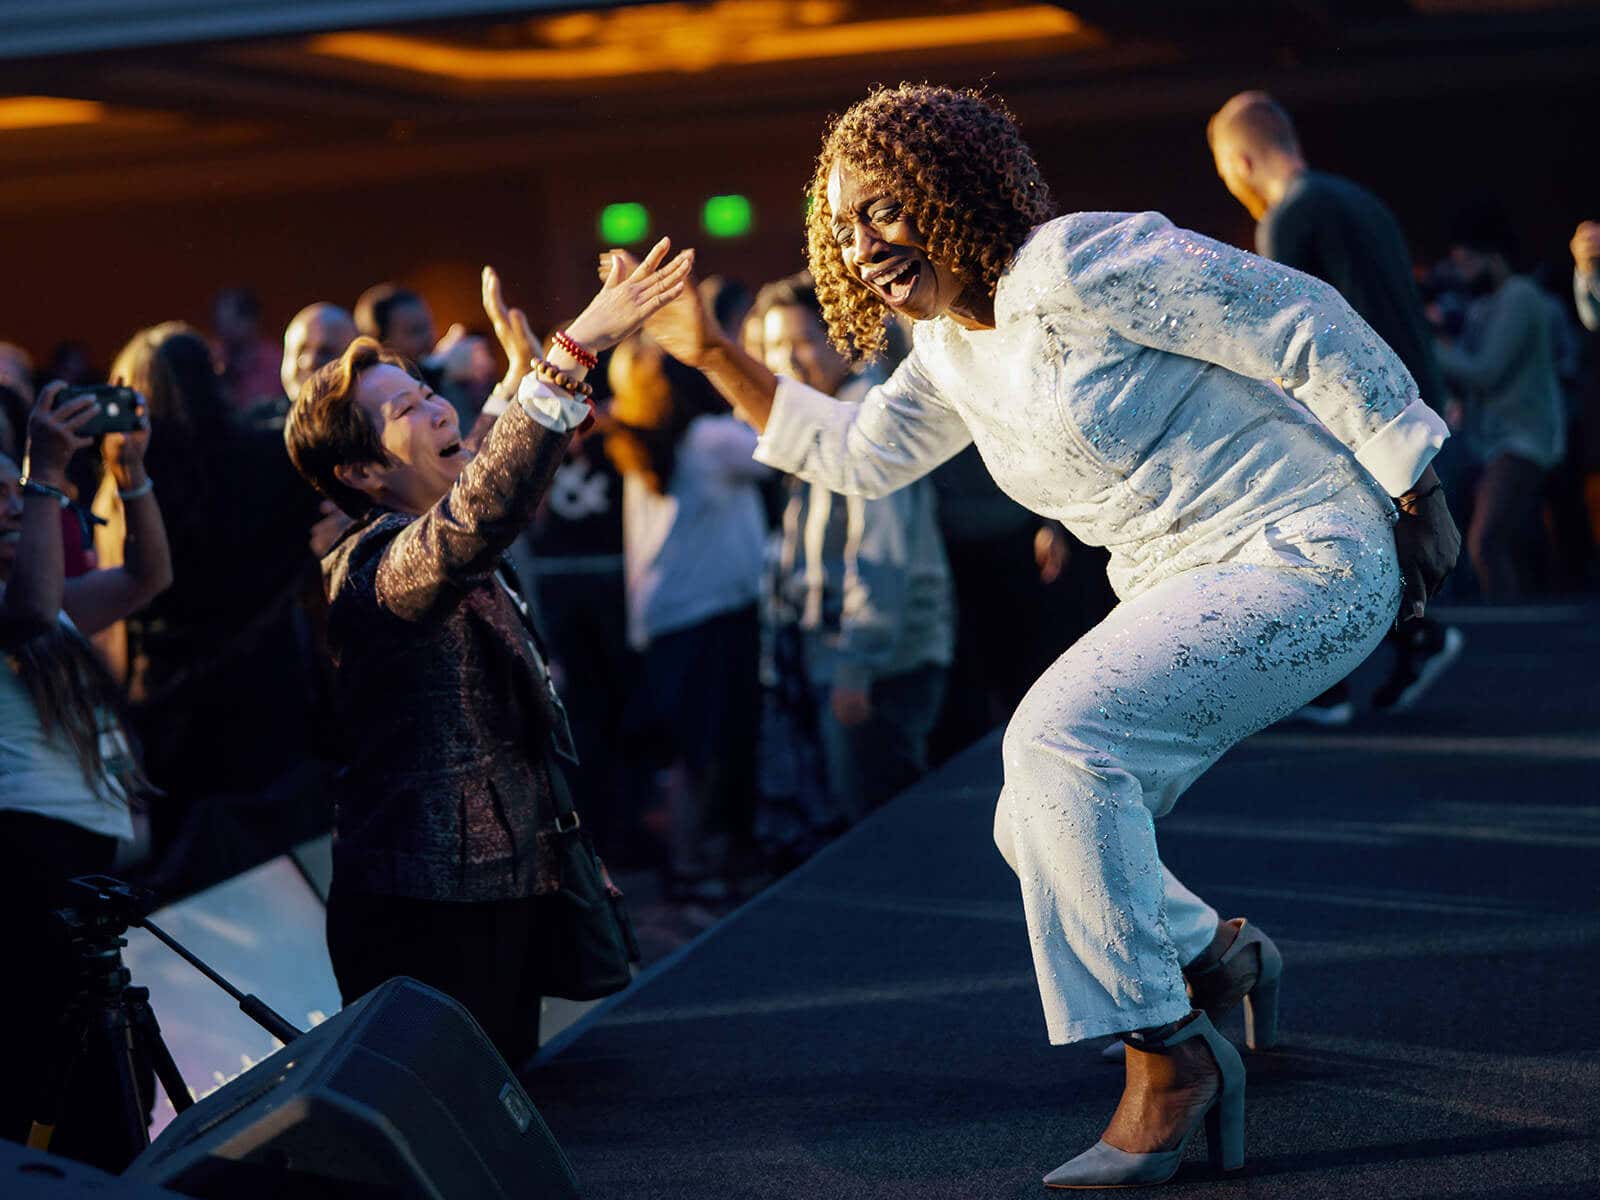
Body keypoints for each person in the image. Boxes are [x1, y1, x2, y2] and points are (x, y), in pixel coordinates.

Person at [616, 84, 1457, 1187]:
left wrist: (1414, 482)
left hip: (1303, 546)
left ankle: (1166, 1059)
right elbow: (860, 454)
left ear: (949, 188)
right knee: (1033, 817)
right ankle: (1213, 951)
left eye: (881, 210)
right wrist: (711, 351)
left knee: (1057, 742)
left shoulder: (1074, 261)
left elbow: (1292, 316)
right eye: (842, 227)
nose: (862, 245)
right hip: (1172, 583)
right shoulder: (946, 349)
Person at [284, 244, 691, 1065]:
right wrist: (574, 353)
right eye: (405, 410)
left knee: (512, 1104)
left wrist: (526, 379)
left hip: (501, 881)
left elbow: (485, 478)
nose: (438, 409)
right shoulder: (372, 568)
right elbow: (475, 518)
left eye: (429, 390)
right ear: (361, 470)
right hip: (426, 907)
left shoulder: (434, 509)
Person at [1208, 90, 1463, 716]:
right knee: (1389, 534)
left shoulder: (1289, 216)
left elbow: (1280, 337)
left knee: (1324, 540)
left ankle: (1334, 681)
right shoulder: (1361, 201)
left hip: (1353, 411)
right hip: (1412, 392)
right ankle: (1410, 641)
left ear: (1240, 161)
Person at [1, 383, 172, 1163]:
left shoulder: (54, 606)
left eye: (15, 496)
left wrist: (130, 475)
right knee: (54, 1080)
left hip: (79, 872)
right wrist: (45, 477)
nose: (11, 509)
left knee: (103, 1080)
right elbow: (32, 611)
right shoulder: (28, 609)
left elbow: (145, 579)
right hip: (25, 867)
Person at [754, 271, 954, 820]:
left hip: (880, 666)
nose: (786, 360)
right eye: (774, 346)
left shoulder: (868, 414)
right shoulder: (823, 408)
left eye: (801, 342)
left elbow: (882, 557)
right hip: (848, 657)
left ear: (841, 339)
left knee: (882, 827)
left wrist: (856, 669)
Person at [605, 332, 770, 905]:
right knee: (708, 745)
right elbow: (781, 447)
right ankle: (697, 861)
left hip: (666, 615)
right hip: (712, 613)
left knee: (684, 746)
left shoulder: (640, 444)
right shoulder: (710, 440)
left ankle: (688, 858)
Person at [1437, 208, 1565, 599]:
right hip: (1494, 440)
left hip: (1523, 438)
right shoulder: (1484, 305)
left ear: (1491, 255)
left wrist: (1428, 344)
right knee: (1508, 544)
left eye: (1466, 261)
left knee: (1487, 541)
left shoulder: (1520, 296)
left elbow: (1486, 371)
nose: (1461, 273)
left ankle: (1510, 635)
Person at [212, 287, 284, 417]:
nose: (224, 331)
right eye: (219, 323)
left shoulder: (276, 363)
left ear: (252, 321)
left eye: (231, 322)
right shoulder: (213, 357)